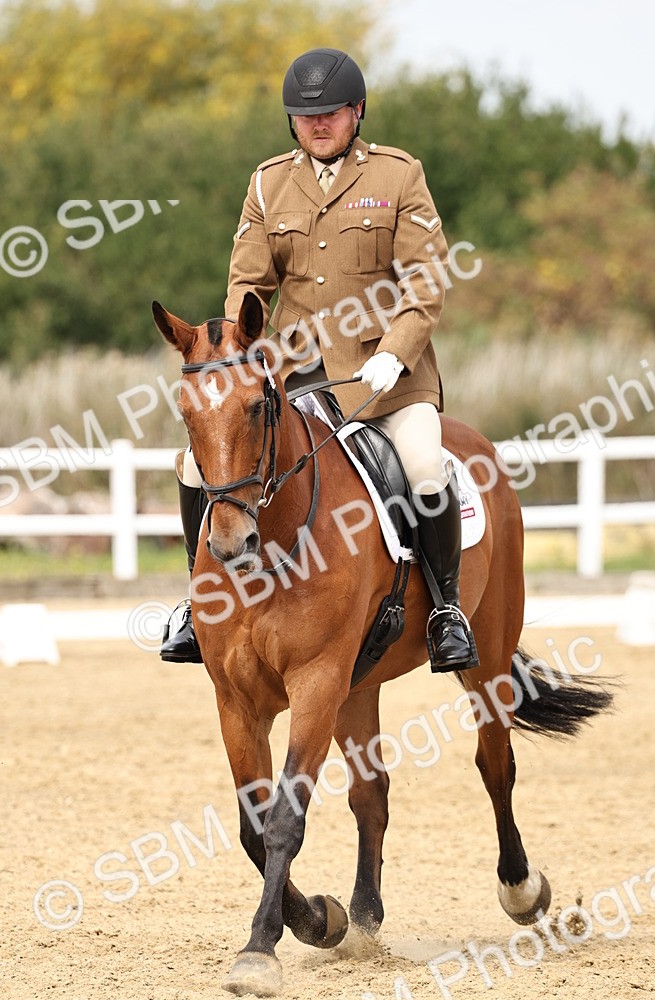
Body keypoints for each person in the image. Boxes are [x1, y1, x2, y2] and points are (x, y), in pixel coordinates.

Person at [161, 47, 479, 673]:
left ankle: (446, 610)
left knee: (423, 466)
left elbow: (426, 283)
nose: (319, 125)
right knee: (198, 467)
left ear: (357, 112)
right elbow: (247, 286)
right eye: (306, 117)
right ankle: (201, 606)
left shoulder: (397, 176)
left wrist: (394, 354)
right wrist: (236, 356)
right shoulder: (267, 183)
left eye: (332, 113)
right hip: (295, 376)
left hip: (386, 381)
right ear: (292, 122)